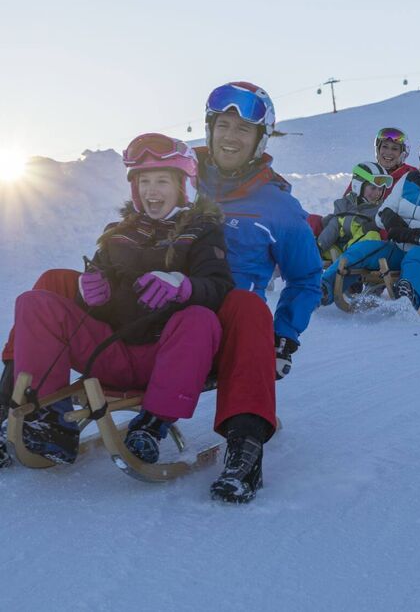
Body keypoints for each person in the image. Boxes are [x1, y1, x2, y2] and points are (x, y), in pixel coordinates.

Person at [1, 82, 322, 503]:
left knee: (245, 307)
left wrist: (284, 339)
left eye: (244, 129)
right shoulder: (179, 172)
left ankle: (245, 446)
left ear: (261, 138)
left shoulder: (278, 208)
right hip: (147, 309)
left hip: (219, 317)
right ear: (208, 129)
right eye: (223, 124)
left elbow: (306, 279)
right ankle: (19, 406)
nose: (230, 136)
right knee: (54, 283)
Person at [9, 133, 233, 468]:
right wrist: (89, 297)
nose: (151, 191)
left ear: (182, 186)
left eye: (161, 181)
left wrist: (184, 286)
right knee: (34, 302)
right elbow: (95, 304)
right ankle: (48, 418)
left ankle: (152, 424)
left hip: (165, 357)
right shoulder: (118, 234)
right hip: (112, 352)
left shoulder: (203, 232)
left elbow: (219, 287)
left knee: (200, 319)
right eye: (144, 181)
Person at [320, 130, 420, 310]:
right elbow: (382, 212)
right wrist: (392, 222)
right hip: (399, 248)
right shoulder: (409, 179)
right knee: (363, 248)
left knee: (417, 256)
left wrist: (418, 238)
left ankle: (406, 299)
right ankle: (322, 288)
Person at [307, 127, 417, 238]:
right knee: (310, 221)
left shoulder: (410, 176)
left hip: (380, 231)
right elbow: (348, 201)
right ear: (378, 149)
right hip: (354, 223)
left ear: (403, 154)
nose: (388, 152)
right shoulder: (368, 172)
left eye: (394, 149)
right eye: (384, 146)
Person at [317, 162, 393, 261]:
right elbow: (333, 228)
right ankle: (315, 251)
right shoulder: (343, 204)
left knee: (372, 235)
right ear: (358, 185)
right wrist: (319, 247)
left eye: (381, 189)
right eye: (373, 188)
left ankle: (347, 257)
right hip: (338, 248)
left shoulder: (381, 209)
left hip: (359, 252)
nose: (377, 193)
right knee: (330, 222)